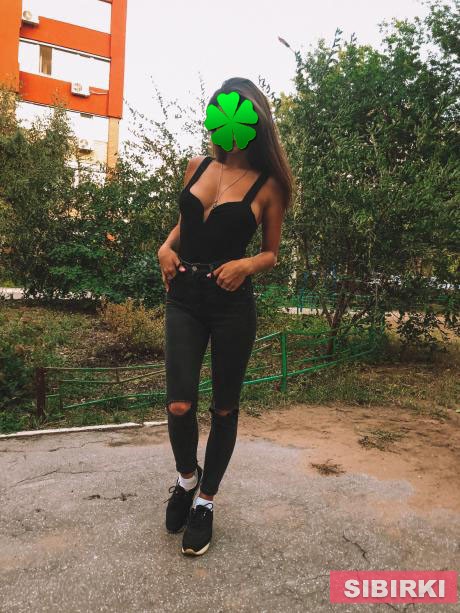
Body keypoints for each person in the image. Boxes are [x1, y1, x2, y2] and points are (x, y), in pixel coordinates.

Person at [157, 77, 293, 556]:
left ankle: (205, 502)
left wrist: (246, 264)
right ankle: (186, 478)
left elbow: (272, 252)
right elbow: (184, 224)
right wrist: (164, 248)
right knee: (179, 403)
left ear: (255, 121)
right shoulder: (197, 165)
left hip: (231, 303)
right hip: (184, 297)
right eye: (220, 112)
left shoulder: (269, 185)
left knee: (224, 408)